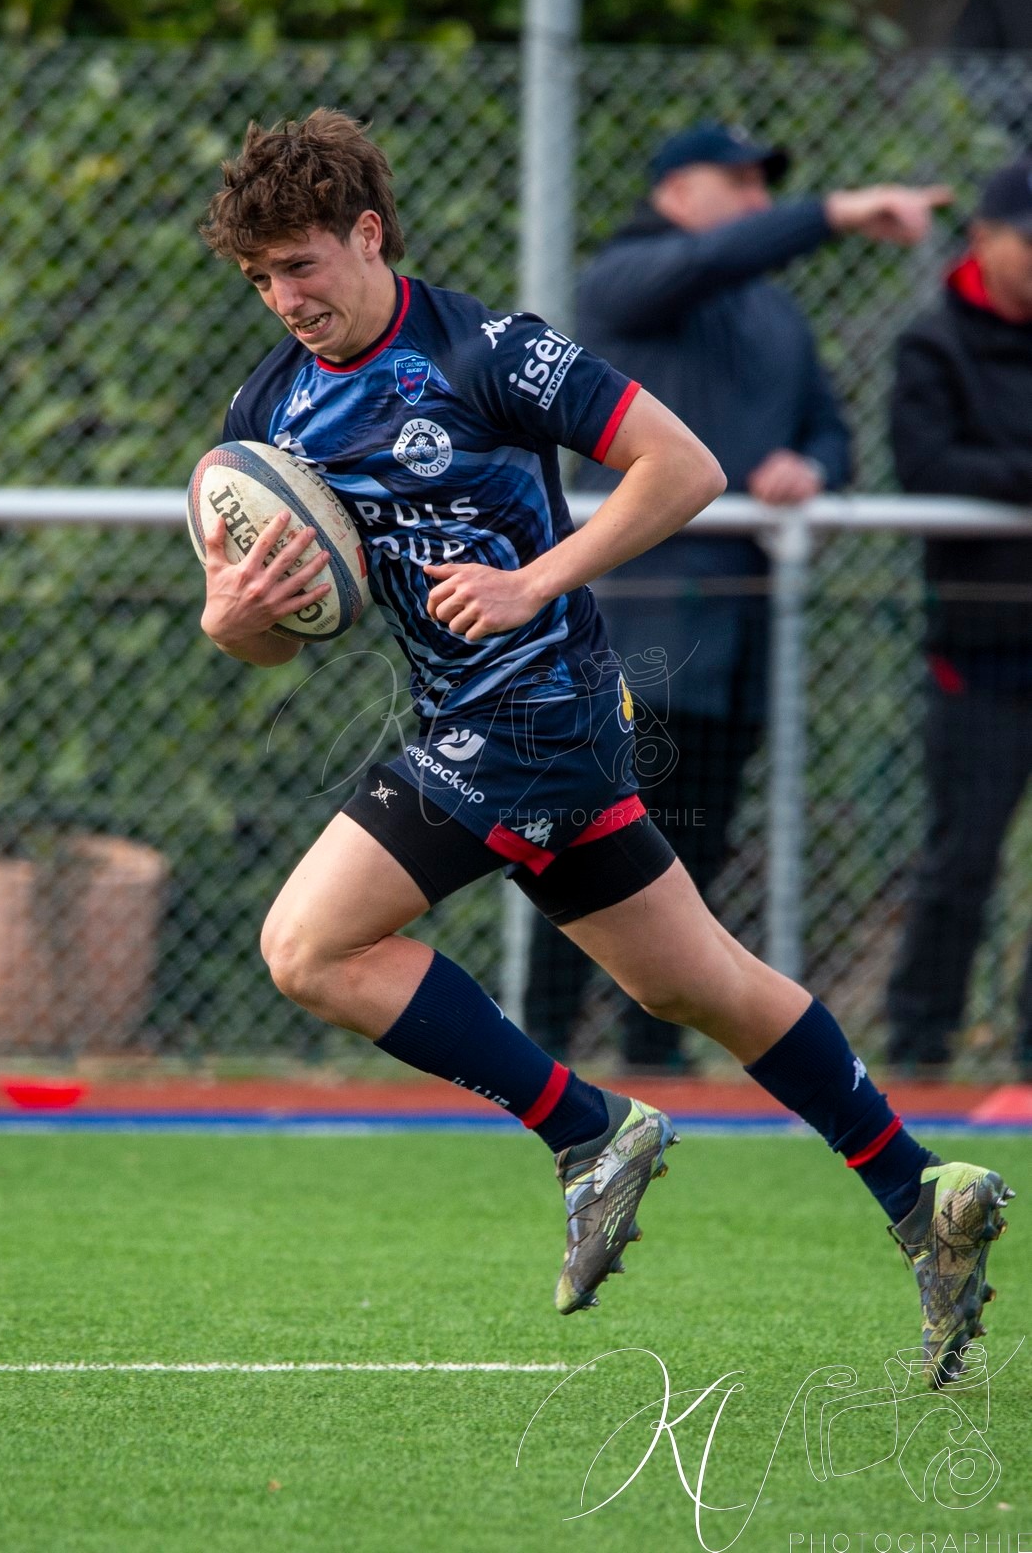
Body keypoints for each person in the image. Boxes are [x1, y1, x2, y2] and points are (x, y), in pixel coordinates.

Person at [196, 108, 1010, 1383]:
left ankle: (589, 1132)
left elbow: (682, 466)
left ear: (368, 234)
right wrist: (230, 617)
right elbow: (268, 639)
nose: (284, 298)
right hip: (482, 723)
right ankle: (925, 1195)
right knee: (700, 984)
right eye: (259, 278)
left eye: (300, 264)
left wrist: (532, 581)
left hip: (538, 712)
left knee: (308, 944)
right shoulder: (268, 410)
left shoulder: (487, 350)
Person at [524, 122, 946, 1070]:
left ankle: (655, 1061)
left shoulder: (776, 316)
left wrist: (811, 468)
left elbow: (830, 433)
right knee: (580, 852)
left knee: (695, 860)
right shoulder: (624, 277)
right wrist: (833, 213)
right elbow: (707, 262)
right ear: (676, 191)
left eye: (768, 187)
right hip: (625, 635)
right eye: (739, 181)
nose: (759, 200)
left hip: (736, 643)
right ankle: (539, 1054)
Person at [885, 158, 1032, 1074]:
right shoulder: (934, 342)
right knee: (963, 857)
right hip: (979, 654)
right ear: (985, 238)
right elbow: (928, 465)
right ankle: (919, 1044)